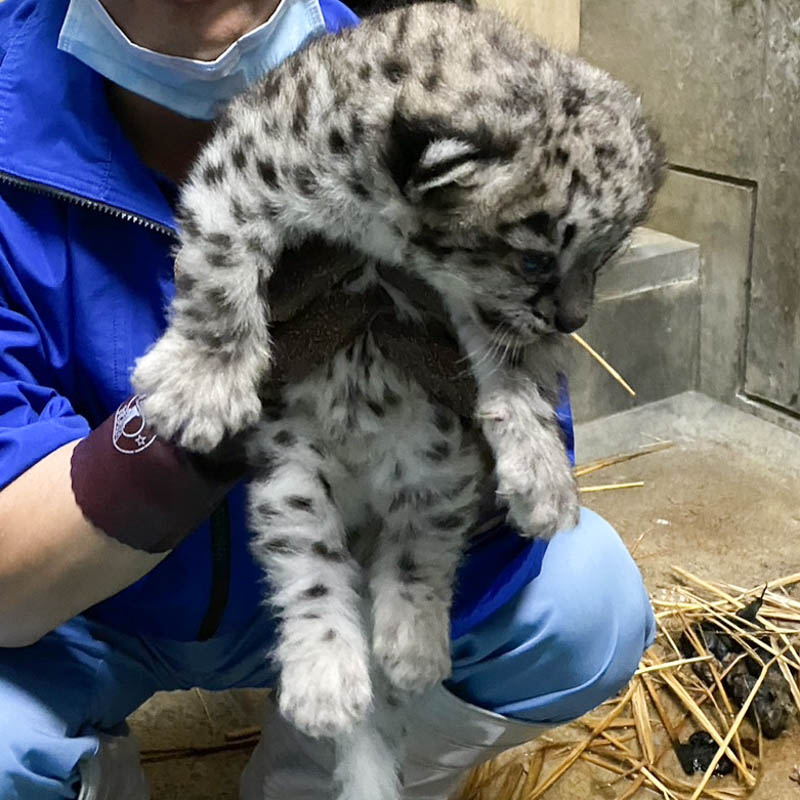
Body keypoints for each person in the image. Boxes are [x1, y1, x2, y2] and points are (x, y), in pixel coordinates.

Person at [0, 0, 656, 798]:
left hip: (340, 554)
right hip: (85, 610)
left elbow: (528, 477)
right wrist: (186, 437)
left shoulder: (426, 85)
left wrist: (473, 411)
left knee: (587, 604)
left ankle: (309, 783)